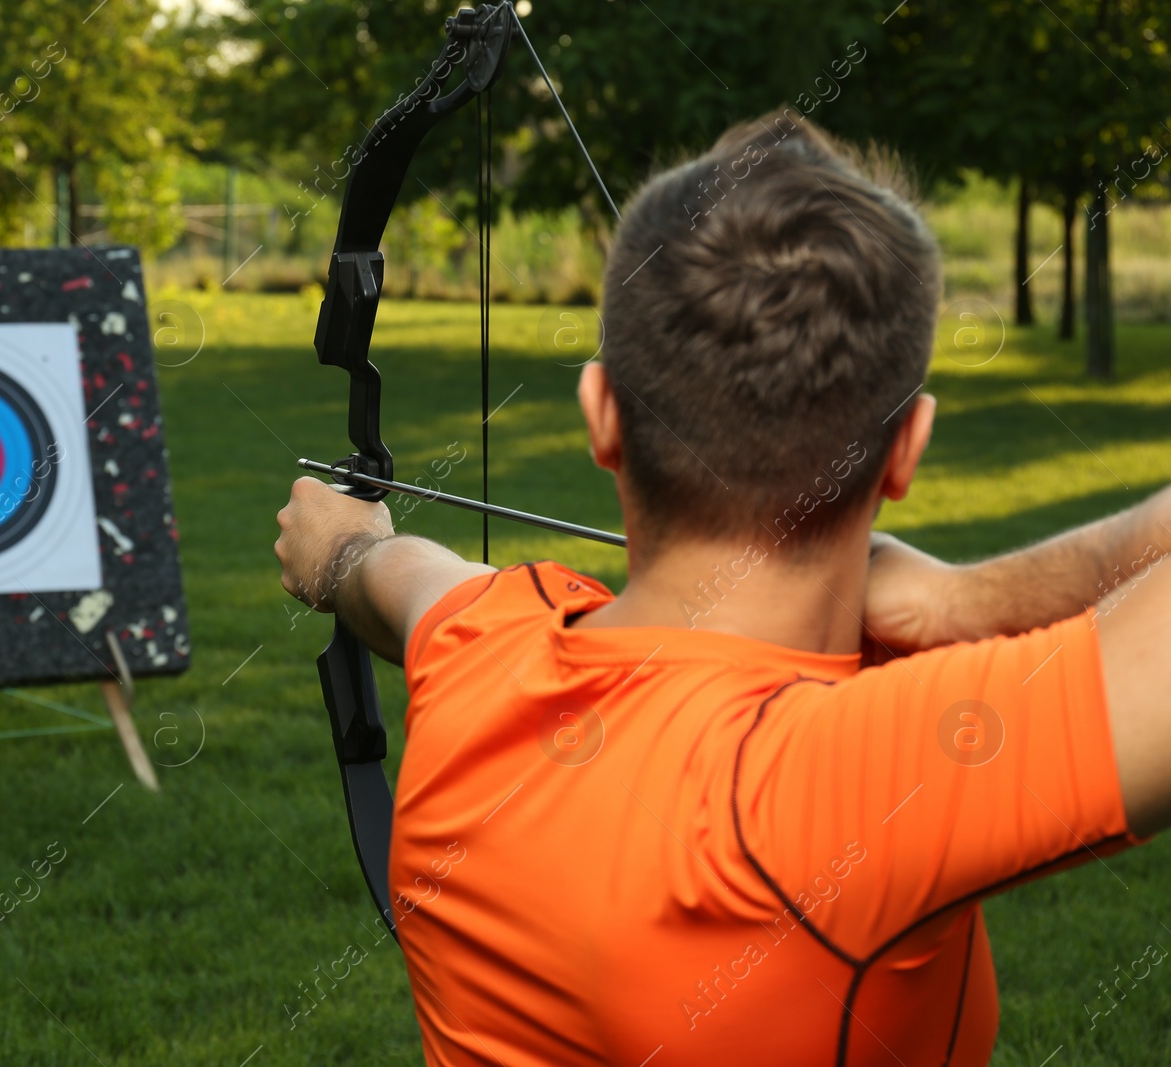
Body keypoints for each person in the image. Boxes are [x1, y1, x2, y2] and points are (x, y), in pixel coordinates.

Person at [273, 113, 1171, 1066]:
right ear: (908, 447)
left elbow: (396, 577)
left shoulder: (480, 651)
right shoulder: (855, 787)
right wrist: (965, 602)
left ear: (601, 414)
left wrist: (341, 548)